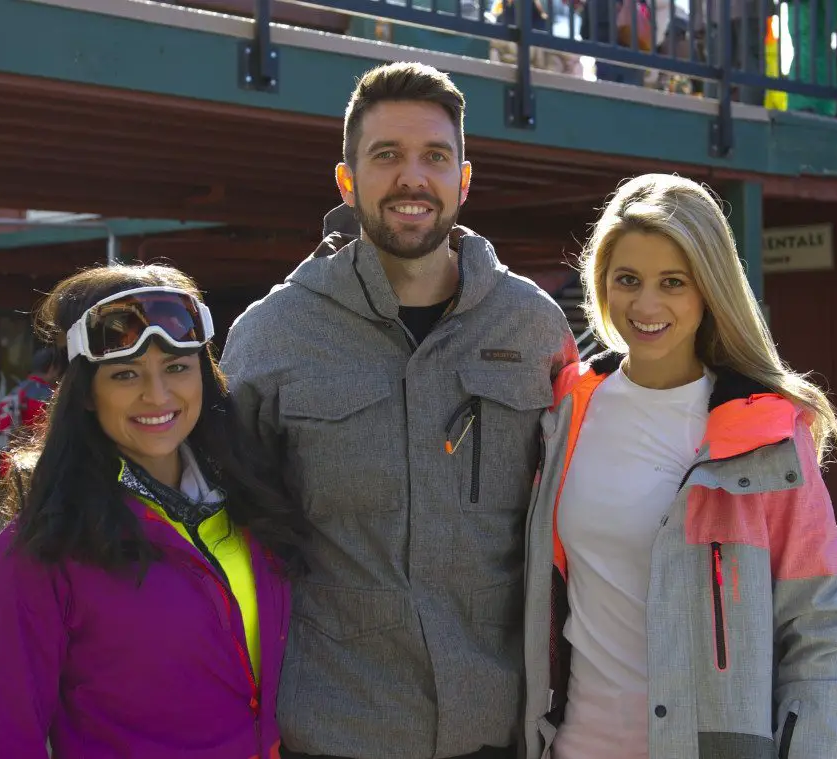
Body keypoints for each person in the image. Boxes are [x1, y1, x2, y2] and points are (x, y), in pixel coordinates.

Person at [220, 61, 576, 759]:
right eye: (386, 156)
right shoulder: (271, 336)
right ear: (347, 181)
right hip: (332, 733)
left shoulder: (533, 328)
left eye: (435, 157)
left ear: (463, 180)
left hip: (500, 731)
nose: (412, 178)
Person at [522, 174, 837, 759]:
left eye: (672, 283)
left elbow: (822, 626)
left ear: (708, 291)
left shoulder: (766, 432)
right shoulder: (565, 409)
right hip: (574, 745)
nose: (646, 305)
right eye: (627, 280)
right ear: (601, 284)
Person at [0, 264, 307, 758]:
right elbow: (5, 743)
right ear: (85, 392)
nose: (158, 395)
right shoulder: (38, 553)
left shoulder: (252, 505)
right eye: (126, 374)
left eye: (176, 367)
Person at [0, 345, 61, 451]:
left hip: (7, 463)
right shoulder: (47, 398)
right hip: (36, 461)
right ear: (52, 369)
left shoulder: (14, 393)